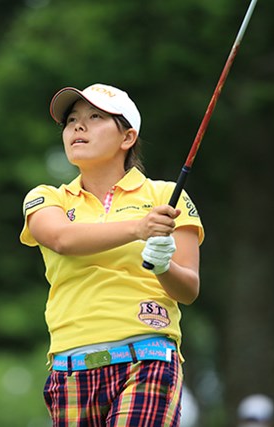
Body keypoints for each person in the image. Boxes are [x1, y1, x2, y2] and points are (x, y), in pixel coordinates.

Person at [20, 83, 205, 426]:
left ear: (127, 137)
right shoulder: (48, 197)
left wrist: (163, 265)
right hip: (70, 370)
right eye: (71, 120)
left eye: (95, 117)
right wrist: (139, 229)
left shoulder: (165, 195)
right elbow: (61, 238)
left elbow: (188, 289)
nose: (78, 126)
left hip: (146, 360)